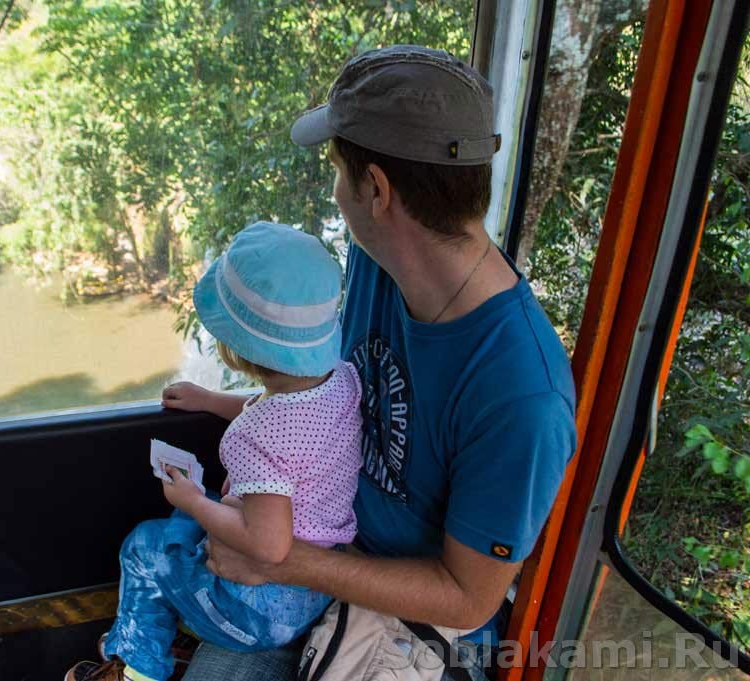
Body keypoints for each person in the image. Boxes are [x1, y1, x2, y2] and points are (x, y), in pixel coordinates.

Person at [179, 46, 578, 681]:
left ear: (377, 190)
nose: (336, 194)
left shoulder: (521, 397)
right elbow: (311, 398)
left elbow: (467, 595)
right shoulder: (376, 260)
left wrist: (281, 559)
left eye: (340, 174)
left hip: (411, 621)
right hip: (320, 542)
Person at [65, 221, 364, 681]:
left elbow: (269, 544)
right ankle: (181, 615)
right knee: (183, 526)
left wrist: (195, 501)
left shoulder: (254, 436)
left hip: (260, 612)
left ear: (237, 348)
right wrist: (208, 401)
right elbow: (281, 414)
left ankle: (137, 665)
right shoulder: (340, 380)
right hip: (314, 590)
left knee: (145, 547)